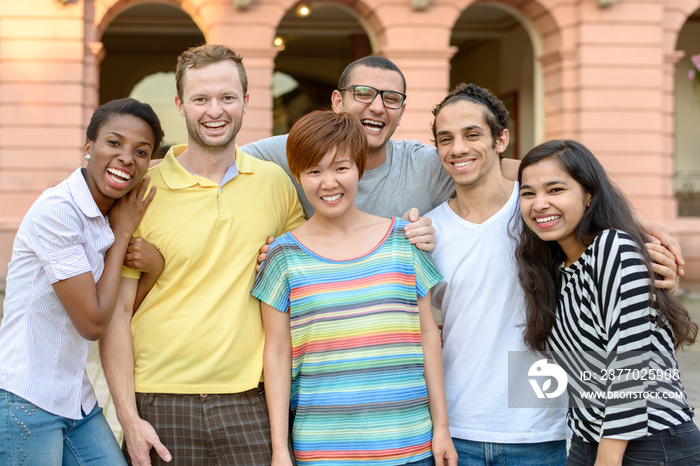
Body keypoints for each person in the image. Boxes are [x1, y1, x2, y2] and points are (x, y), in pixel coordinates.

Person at [99, 44, 305, 466]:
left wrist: (402, 231)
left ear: (247, 101)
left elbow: (311, 266)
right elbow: (116, 314)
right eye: (201, 99)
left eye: (227, 97)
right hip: (159, 399)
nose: (215, 110)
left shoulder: (275, 184)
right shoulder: (141, 192)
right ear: (180, 105)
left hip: (251, 400)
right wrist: (128, 416)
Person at [251, 110, 458, 466]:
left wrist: (441, 427)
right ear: (298, 176)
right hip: (322, 450)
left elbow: (427, 335)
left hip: (409, 444)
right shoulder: (282, 256)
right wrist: (279, 449)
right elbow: (277, 354)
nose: (329, 182)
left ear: (360, 169)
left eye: (341, 167)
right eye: (314, 171)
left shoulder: (402, 241)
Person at [515, 139, 700, 465]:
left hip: (649, 443)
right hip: (590, 440)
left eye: (555, 190)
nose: (539, 203)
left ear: (589, 195)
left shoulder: (613, 248)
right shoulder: (560, 271)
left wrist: (608, 458)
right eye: (528, 193)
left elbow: (630, 365)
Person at [0, 98, 163, 465]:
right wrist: (123, 234)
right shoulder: (59, 211)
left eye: (141, 151)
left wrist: (153, 269)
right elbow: (92, 323)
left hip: (76, 398)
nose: (126, 157)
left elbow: (113, 313)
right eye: (114, 142)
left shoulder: (107, 215)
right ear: (89, 148)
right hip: (24, 399)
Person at [425, 84, 572, 465]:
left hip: (537, 425)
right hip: (457, 427)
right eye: (446, 139)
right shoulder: (428, 231)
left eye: (472, 134)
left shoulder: (539, 212)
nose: (458, 148)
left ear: (500, 139)